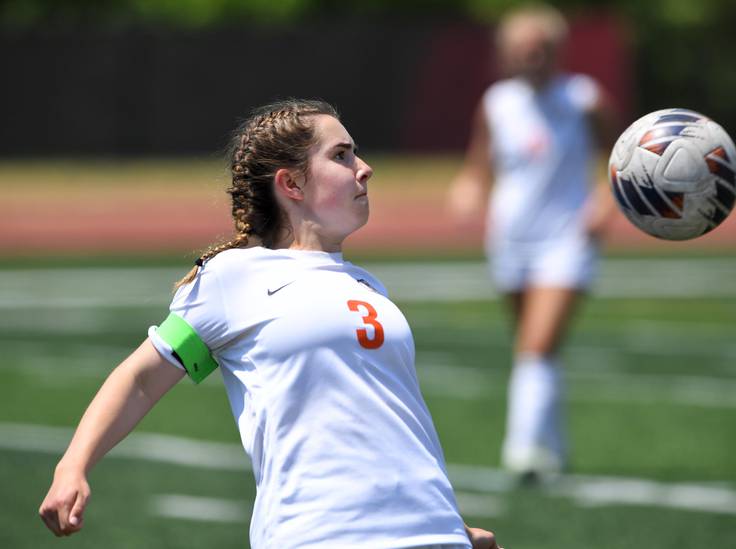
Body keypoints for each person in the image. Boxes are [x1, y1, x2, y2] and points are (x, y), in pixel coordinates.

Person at [39, 99, 499, 549]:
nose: (364, 167)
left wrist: (444, 525)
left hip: (430, 534)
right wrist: (73, 466)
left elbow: (392, 421)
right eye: (341, 155)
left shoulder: (368, 285)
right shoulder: (233, 278)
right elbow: (142, 378)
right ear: (292, 184)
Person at [448, 4, 617, 481]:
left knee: (536, 347)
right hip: (510, 239)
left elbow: (623, 158)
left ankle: (520, 451)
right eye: (522, 51)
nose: (531, 59)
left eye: (540, 50)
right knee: (534, 348)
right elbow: (480, 165)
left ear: (557, 51)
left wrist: (605, 202)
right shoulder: (497, 102)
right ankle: (556, 447)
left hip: (568, 238)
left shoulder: (583, 98)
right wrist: (468, 191)